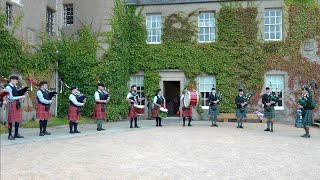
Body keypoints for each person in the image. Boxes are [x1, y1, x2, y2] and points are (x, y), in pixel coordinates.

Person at [5, 76, 28, 140]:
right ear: (12, 80)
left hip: (17, 104)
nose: (17, 82)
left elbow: (17, 94)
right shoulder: (8, 87)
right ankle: (9, 135)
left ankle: (16, 134)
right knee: (10, 121)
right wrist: (21, 96)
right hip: (11, 104)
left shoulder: (15, 87)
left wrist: (24, 93)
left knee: (17, 119)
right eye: (16, 81)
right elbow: (11, 98)